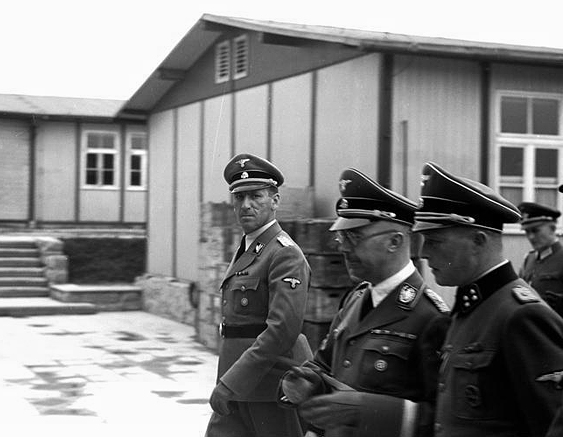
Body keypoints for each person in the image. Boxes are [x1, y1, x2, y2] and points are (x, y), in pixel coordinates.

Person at [279, 168, 451, 437]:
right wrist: (305, 383)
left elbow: (443, 419)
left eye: (354, 237)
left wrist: (368, 410)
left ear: (394, 242)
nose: (343, 248)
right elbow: (324, 365)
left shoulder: (431, 317)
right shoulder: (356, 299)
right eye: (342, 236)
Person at [413, 161, 563, 436]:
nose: (424, 253)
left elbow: (551, 423)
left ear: (478, 241)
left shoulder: (522, 316)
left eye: (434, 241)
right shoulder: (473, 307)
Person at [205, 153, 313, 437]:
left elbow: (282, 331)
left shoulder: (284, 253)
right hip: (236, 381)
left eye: (255, 196)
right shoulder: (249, 248)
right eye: (239, 198)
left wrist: (232, 383)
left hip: (270, 386)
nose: (245, 205)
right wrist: (229, 381)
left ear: (275, 200)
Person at [518, 201, 563, 316]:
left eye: (535, 230)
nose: (531, 237)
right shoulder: (529, 258)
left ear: (552, 228)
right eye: (527, 232)